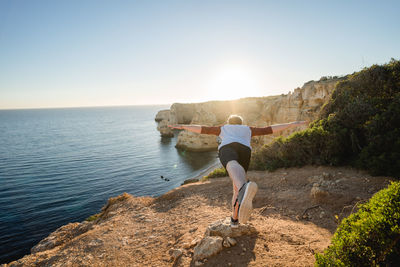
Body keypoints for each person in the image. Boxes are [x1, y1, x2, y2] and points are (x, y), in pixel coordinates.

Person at [169, 115, 307, 227]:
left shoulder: (224, 128)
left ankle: (243, 188)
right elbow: (269, 129)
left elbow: (203, 129)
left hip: (228, 148)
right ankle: (234, 219)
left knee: (231, 164)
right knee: (236, 187)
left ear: (229, 121)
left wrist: (182, 126)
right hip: (245, 152)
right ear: (241, 122)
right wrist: (291, 124)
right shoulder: (248, 129)